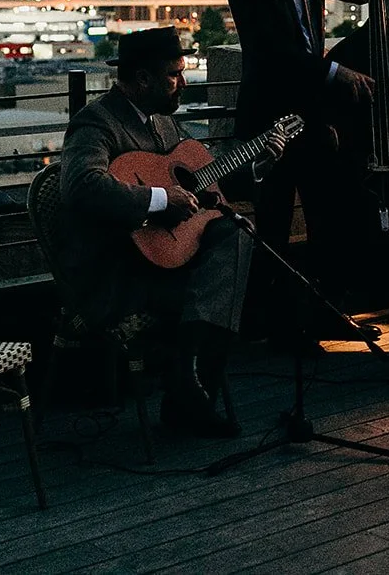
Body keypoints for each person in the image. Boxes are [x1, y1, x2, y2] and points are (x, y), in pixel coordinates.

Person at [58, 27, 273, 438]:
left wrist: (258, 163)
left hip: (163, 261)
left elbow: (205, 185)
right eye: (174, 74)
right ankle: (188, 388)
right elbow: (81, 185)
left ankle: (187, 382)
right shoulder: (96, 122)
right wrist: (159, 199)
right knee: (222, 283)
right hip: (117, 270)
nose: (184, 83)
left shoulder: (163, 123)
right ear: (141, 78)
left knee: (237, 235)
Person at [225, 0, 389, 346]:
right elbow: (272, 50)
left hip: (311, 117)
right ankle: (269, 328)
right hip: (270, 122)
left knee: (327, 221)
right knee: (273, 229)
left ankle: (322, 316)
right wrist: (337, 74)